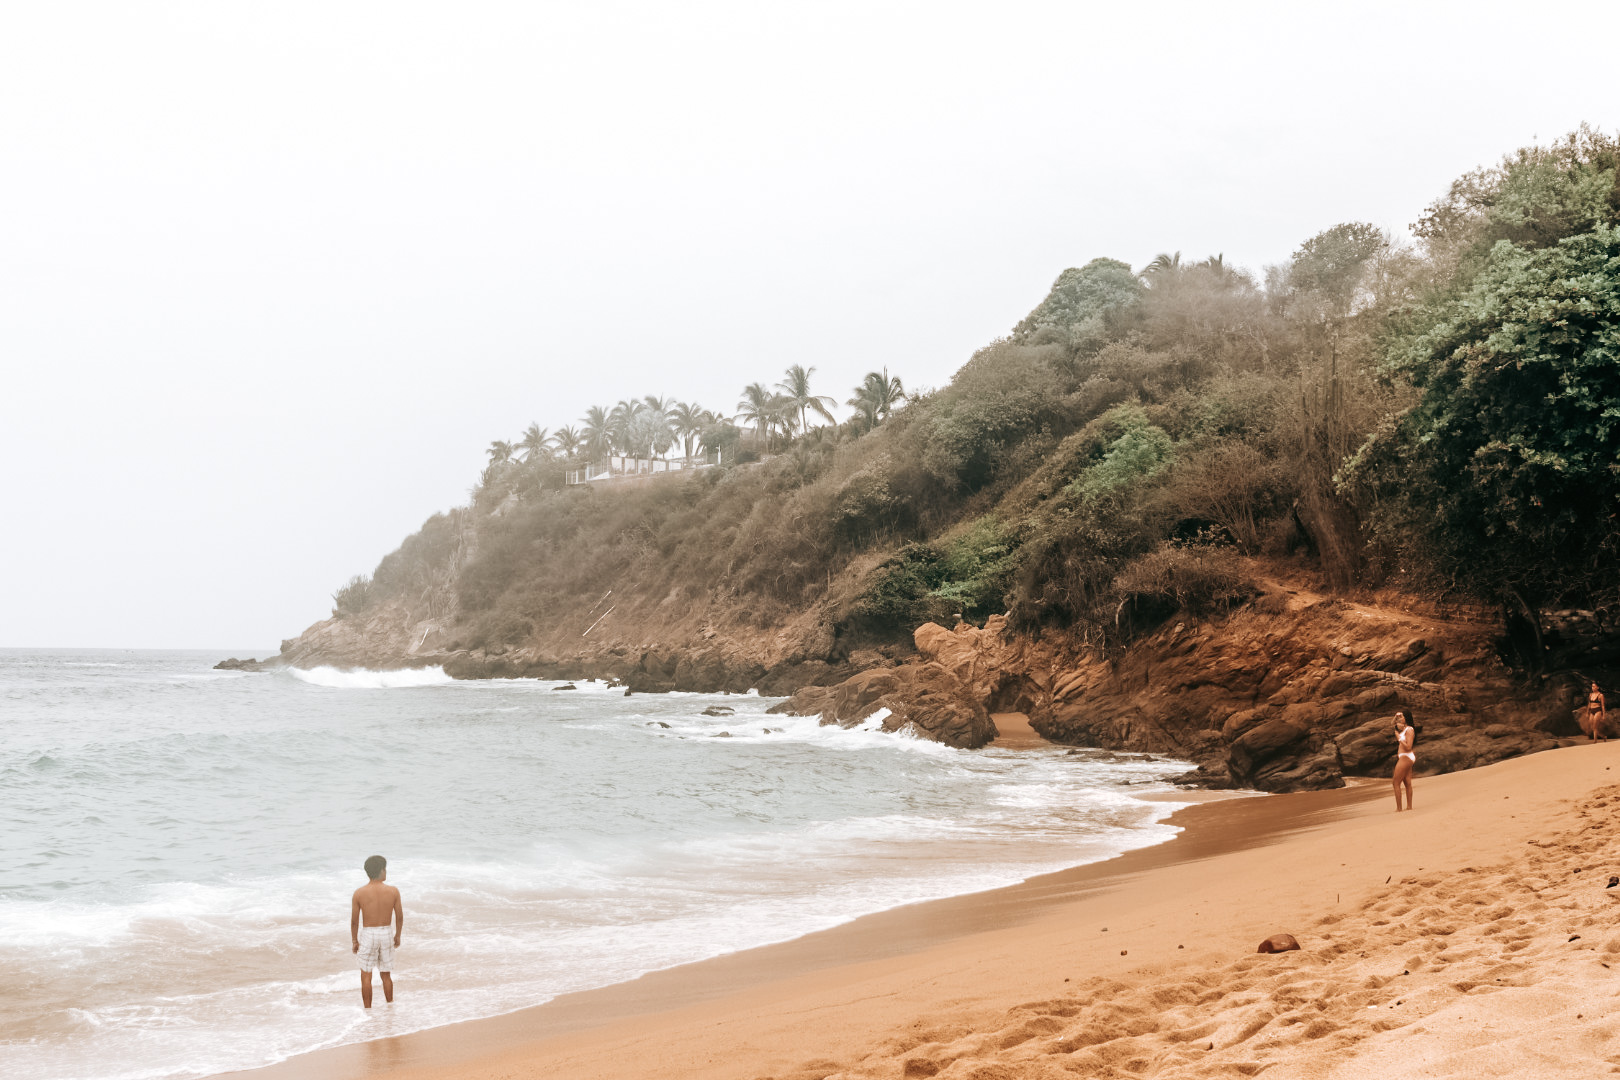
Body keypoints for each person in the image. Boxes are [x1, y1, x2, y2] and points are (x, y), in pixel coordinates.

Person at [351, 855, 403, 1008]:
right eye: (385, 869)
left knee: (366, 976)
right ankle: (390, 1006)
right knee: (386, 975)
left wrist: (355, 940)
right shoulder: (393, 891)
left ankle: (368, 1010)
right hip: (386, 932)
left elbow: (354, 921)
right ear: (381, 871)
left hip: (369, 934)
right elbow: (399, 917)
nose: (386, 872)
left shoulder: (359, 893)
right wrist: (397, 935)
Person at [1392, 709, 1416, 812]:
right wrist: (1396, 715)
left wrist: (1399, 738)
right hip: (1405, 757)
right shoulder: (1404, 728)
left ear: (1406, 718)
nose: (1400, 719)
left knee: (1395, 783)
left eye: (1402, 717)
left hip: (1406, 756)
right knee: (1407, 782)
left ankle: (1399, 808)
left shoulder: (1409, 730)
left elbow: (1409, 747)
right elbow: (1392, 724)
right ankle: (1409, 807)